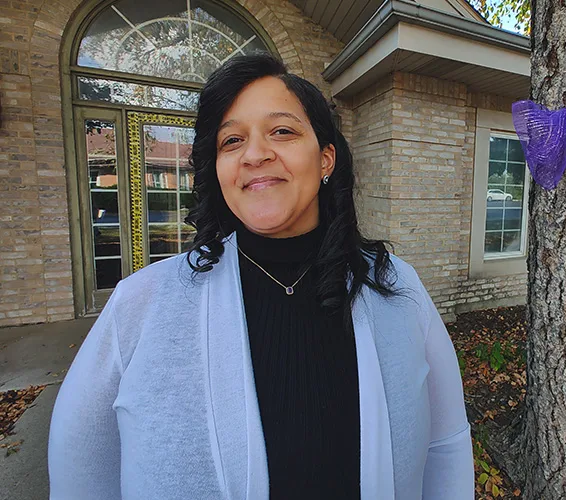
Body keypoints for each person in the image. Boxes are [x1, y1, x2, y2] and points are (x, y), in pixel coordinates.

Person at [48, 53, 473, 499]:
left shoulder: (398, 288)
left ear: (326, 158)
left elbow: (446, 446)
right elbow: (80, 465)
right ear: (218, 169)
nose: (254, 154)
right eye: (231, 141)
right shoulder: (141, 303)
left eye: (282, 131)